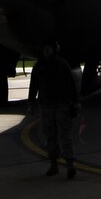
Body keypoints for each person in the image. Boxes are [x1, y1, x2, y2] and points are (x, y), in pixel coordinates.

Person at [27, 40, 81, 179]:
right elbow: (33, 86)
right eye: (45, 48)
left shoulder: (62, 64)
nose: (47, 50)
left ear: (54, 49)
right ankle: (54, 164)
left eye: (49, 48)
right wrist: (31, 103)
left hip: (62, 104)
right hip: (46, 106)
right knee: (50, 136)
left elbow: (70, 84)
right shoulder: (38, 67)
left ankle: (70, 165)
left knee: (65, 136)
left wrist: (75, 102)